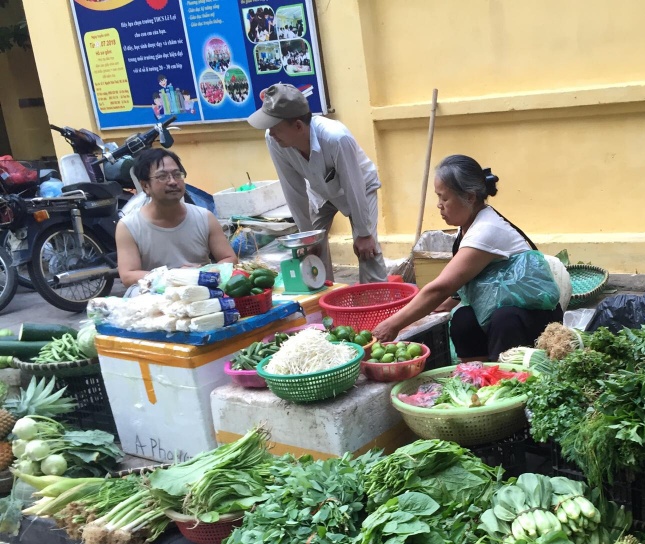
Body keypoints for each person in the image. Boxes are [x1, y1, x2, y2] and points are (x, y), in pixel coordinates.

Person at [372, 155, 569, 361]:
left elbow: (441, 287)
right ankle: (475, 377)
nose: (439, 205)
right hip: (505, 305)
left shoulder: (486, 230)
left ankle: (505, 377)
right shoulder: (468, 225)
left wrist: (392, 324)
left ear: (470, 197)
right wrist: (445, 303)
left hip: (536, 316)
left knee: (505, 319)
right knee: (463, 319)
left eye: (444, 198)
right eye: (438, 197)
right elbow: (471, 277)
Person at [247, 83, 386, 283]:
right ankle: (322, 305)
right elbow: (292, 188)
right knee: (311, 252)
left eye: (276, 128)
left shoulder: (336, 138)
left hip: (359, 188)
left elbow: (353, 186)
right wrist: (306, 237)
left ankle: (378, 305)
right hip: (320, 191)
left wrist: (363, 233)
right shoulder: (274, 140)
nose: (272, 133)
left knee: (367, 251)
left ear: (297, 126)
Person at [115, 149, 236, 290]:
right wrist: (176, 277)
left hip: (203, 295)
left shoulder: (205, 217)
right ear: (145, 186)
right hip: (155, 302)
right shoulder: (129, 226)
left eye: (177, 175)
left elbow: (230, 259)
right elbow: (128, 275)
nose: (172, 182)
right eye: (162, 176)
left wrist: (201, 274)